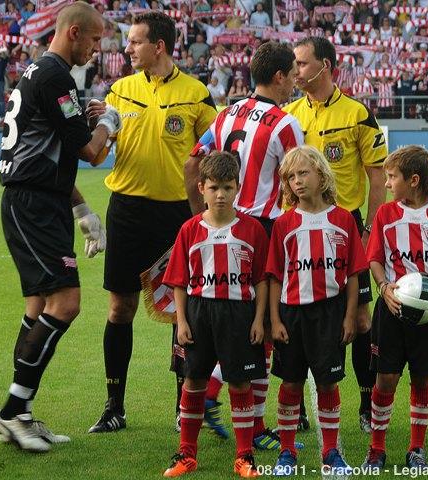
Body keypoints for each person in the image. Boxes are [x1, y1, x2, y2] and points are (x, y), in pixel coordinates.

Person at [0, 1, 119, 453]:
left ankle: (19, 414)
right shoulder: (55, 76)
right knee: (65, 303)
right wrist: (109, 121)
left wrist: (83, 212)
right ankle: (11, 411)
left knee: (38, 305)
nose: (97, 49)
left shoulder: (39, 74)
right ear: (74, 32)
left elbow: (56, 152)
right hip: (34, 205)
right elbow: (91, 153)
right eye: (96, 39)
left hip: (41, 201)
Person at [88, 11, 217, 434]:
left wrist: (208, 213)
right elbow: (102, 146)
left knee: (183, 311)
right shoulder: (119, 91)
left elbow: (212, 156)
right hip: (126, 211)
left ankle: (185, 405)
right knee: (119, 308)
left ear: (158, 46)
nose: (128, 49)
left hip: (177, 216)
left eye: (135, 42)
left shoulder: (196, 93)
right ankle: (114, 405)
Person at [185, 41, 305, 448]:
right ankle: (232, 408)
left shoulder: (225, 114)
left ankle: (246, 423)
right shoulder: (284, 123)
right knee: (263, 329)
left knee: (243, 326)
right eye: (292, 75)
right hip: (265, 232)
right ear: (278, 77)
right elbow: (298, 181)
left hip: (225, 227)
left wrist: (198, 213)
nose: (295, 82)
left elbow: (193, 160)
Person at [284, 36, 388, 434]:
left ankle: (365, 402)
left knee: (361, 319)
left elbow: (377, 175)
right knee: (297, 313)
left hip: (346, 228)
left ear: (326, 66)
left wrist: (369, 229)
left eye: (303, 63)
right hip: (298, 229)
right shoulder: (290, 115)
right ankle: (298, 407)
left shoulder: (357, 113)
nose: (296, 71)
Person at [361, 146, 428, 470]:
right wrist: (383, 287)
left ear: (413, 179)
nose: (387, 183)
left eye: (392, 177)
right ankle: (377, 449)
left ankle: (416, 448)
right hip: (392, 308)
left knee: (422, 379)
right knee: (385, 379)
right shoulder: (385, 214)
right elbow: (374, 258)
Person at [161, 152, 268, 478]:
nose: (220, 194)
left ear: (238, 188)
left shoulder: (252, 229)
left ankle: (244, 457)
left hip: (239, 313)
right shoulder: (190, 229)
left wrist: (258, 318)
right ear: (201, 188)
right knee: (193, 381)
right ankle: (187, 455)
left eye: (227, 187)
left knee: (239, 382)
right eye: (213, 188)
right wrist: (181, 321)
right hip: (199, 311)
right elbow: (178, 280)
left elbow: (262, 279)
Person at [267, 146, 366, 475]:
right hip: (292, 314)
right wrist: (274, 319)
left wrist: (350, 315)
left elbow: (353, 273)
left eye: (303, 173)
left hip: (330, 313)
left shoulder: (343, 219)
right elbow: (274, 276)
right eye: (291, 177)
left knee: (327, 383)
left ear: (322, 176)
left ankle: (331, 451)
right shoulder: (283, 224)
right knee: (291, 383)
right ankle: (286, 452)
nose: (297, 181)